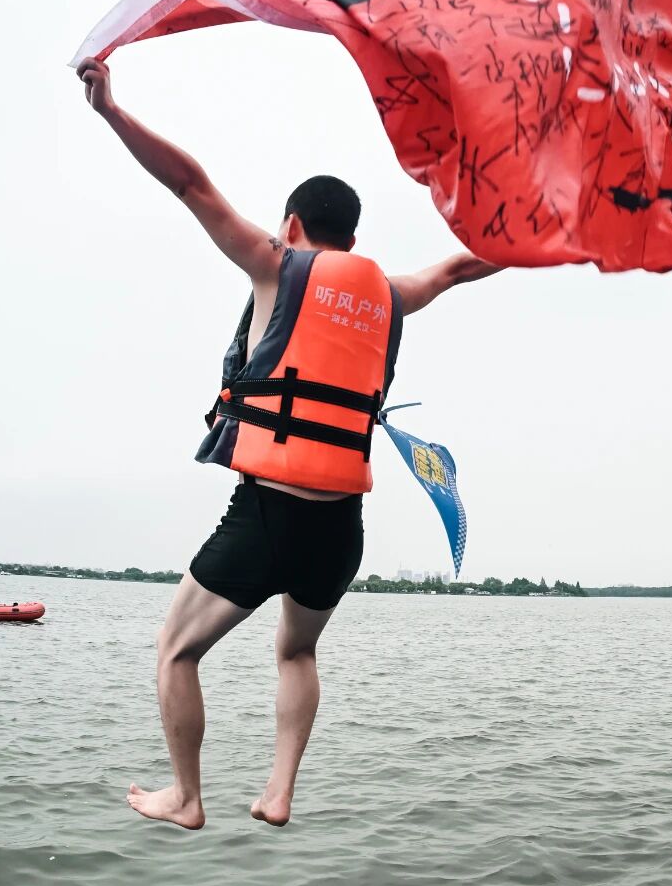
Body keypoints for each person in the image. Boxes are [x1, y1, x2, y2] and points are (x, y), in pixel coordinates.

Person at [78, 56, 500, 829]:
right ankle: (278, 793)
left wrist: (111, 110)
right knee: (297, 652)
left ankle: (186, 797)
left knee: (176, 650)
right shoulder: (390, 295)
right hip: (340, 530)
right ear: (355, 237)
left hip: (267, 513)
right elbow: (458, 267)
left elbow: (190, 184)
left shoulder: (276, 265)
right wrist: (570, 235)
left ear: (294, 227)